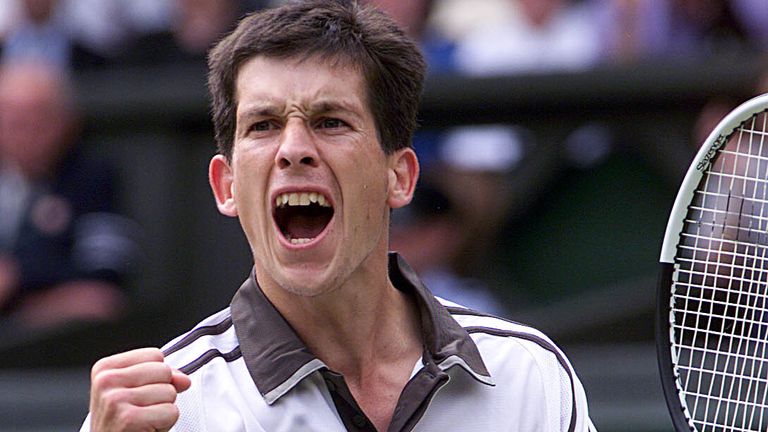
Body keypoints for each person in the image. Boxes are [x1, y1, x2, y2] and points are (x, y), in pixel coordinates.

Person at [81, 1, 596, 431]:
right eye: (263, 125)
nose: (294, 149)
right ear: (227, 185)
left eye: (330, 121)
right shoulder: (168, 413)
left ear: (400, 178)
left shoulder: (530, 379)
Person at [0, 60, 138, 329]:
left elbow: (107, 269)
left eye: (38, 118)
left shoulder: (91, 178)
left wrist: (16, 276)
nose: (26, 132)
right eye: (13, 120)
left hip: (51, 337)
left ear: (66, 121)